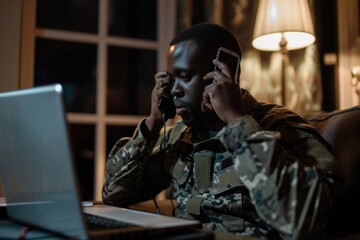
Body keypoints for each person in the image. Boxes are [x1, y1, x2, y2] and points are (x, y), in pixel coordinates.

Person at [102, 23, 340, 239]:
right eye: (170, 80)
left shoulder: (279, 126)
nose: (173, 90)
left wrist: (237, 122)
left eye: (185, 77)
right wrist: (152, 123)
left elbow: (303, 220)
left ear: (223, 73)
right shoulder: (180, 136)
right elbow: (115, 194)